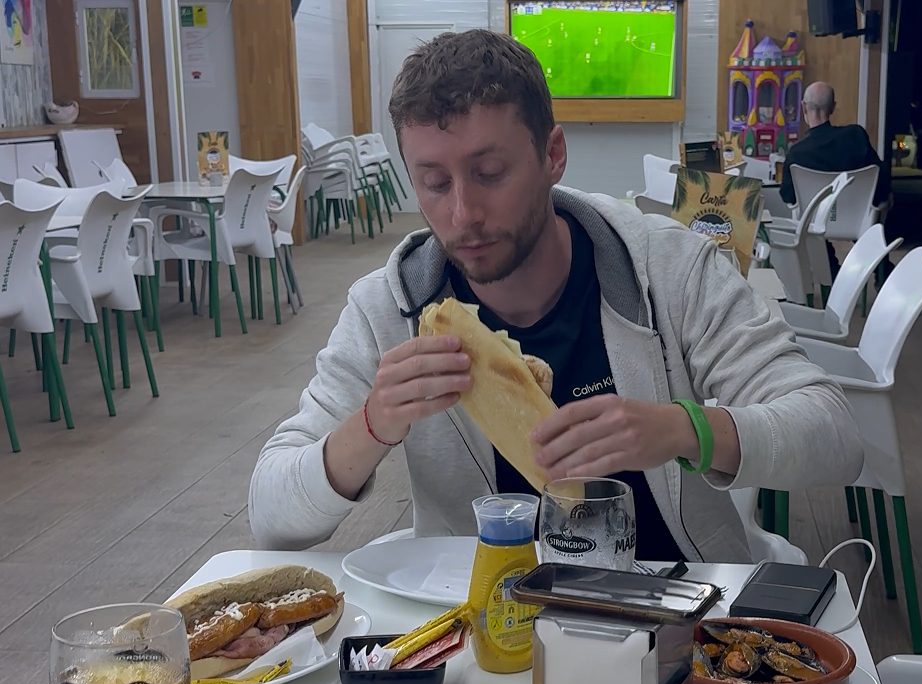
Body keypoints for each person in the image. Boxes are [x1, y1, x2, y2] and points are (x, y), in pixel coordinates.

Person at [249, 30, 863, 562]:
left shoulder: (670, 269)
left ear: (553, 155)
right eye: (434, 183)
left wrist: (687, 430)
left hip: (680, 613)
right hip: (493, 634)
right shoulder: (389, 308)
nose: (463, 213)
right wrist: (373, 425)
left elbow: (834, 434)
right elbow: (271, 514)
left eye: (490, 174)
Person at [779, 82, 891, 280]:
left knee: (812, 228)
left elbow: (787, 195)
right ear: (832, 108)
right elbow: (880, 177)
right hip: (857, 221)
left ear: (804, 107)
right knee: (877, 209)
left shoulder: (797, 153)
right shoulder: (855, 136)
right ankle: (883, 274)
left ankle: (831, 275)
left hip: (815, 225)